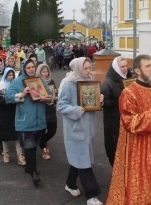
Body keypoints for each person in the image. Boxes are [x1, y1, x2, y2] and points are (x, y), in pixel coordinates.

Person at [106, 54, 151, 205]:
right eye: (148, 66)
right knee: (139, 185)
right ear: (137, 71)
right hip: (137, 148)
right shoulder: (128, 93)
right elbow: (129, 122)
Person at [57, 57, 104, 205]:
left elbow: (91, 103)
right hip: (75, 130)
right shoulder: (69, 84)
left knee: (79, 159)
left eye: (90, 67)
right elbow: (61, 106)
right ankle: (92, 195)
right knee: (84, 162)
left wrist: (99, 100)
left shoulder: (89, 82)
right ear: (77, 68)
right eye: (85, 68)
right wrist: (76, 110)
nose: (88, 70)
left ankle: (70, 184)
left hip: (87, 129)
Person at [5, 59, 52, 186]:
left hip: (39, 120)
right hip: (25, 121)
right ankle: (34, 173)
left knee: (34, 144)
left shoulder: (40, 80)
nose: (31, 69)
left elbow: (50, 95)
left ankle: (29, 168)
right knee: (30, 147)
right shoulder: (17, 81)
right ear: (24, 68)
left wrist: (48, 99)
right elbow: (8, 97)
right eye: (29, 67)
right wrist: (22, 94)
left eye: (33, 67)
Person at [100, 56, 133, 166]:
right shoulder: (108, 84)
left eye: (126, 66)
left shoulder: (131, 80)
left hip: (129, 120)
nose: (125, 69)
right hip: (113, 121)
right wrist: (122, 101)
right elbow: (105, 104)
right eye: (122, 66)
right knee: (115, 148)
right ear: (115, 68)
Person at [0, 68, 26, 165]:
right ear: (5, 75)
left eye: (12, 75)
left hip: (15, 112)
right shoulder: (0, 86)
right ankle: (5, 153)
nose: (10, 77)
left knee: (17, 134)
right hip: (4, 113)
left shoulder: (16, 85)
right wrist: (6, 101)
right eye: (8, 75)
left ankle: (20, 155)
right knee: (4, 134)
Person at [36, 64, 58, 160]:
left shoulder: (51, 81)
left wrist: (55, 97)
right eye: (43, 72)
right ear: (39, 72)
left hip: (51, 109)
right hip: (42, 109)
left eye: (46, 71)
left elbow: (54, 94)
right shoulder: (37, 82)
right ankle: (44, 149)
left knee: (52, 130)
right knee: (41, 130)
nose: (45, 73)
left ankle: (42, 141)